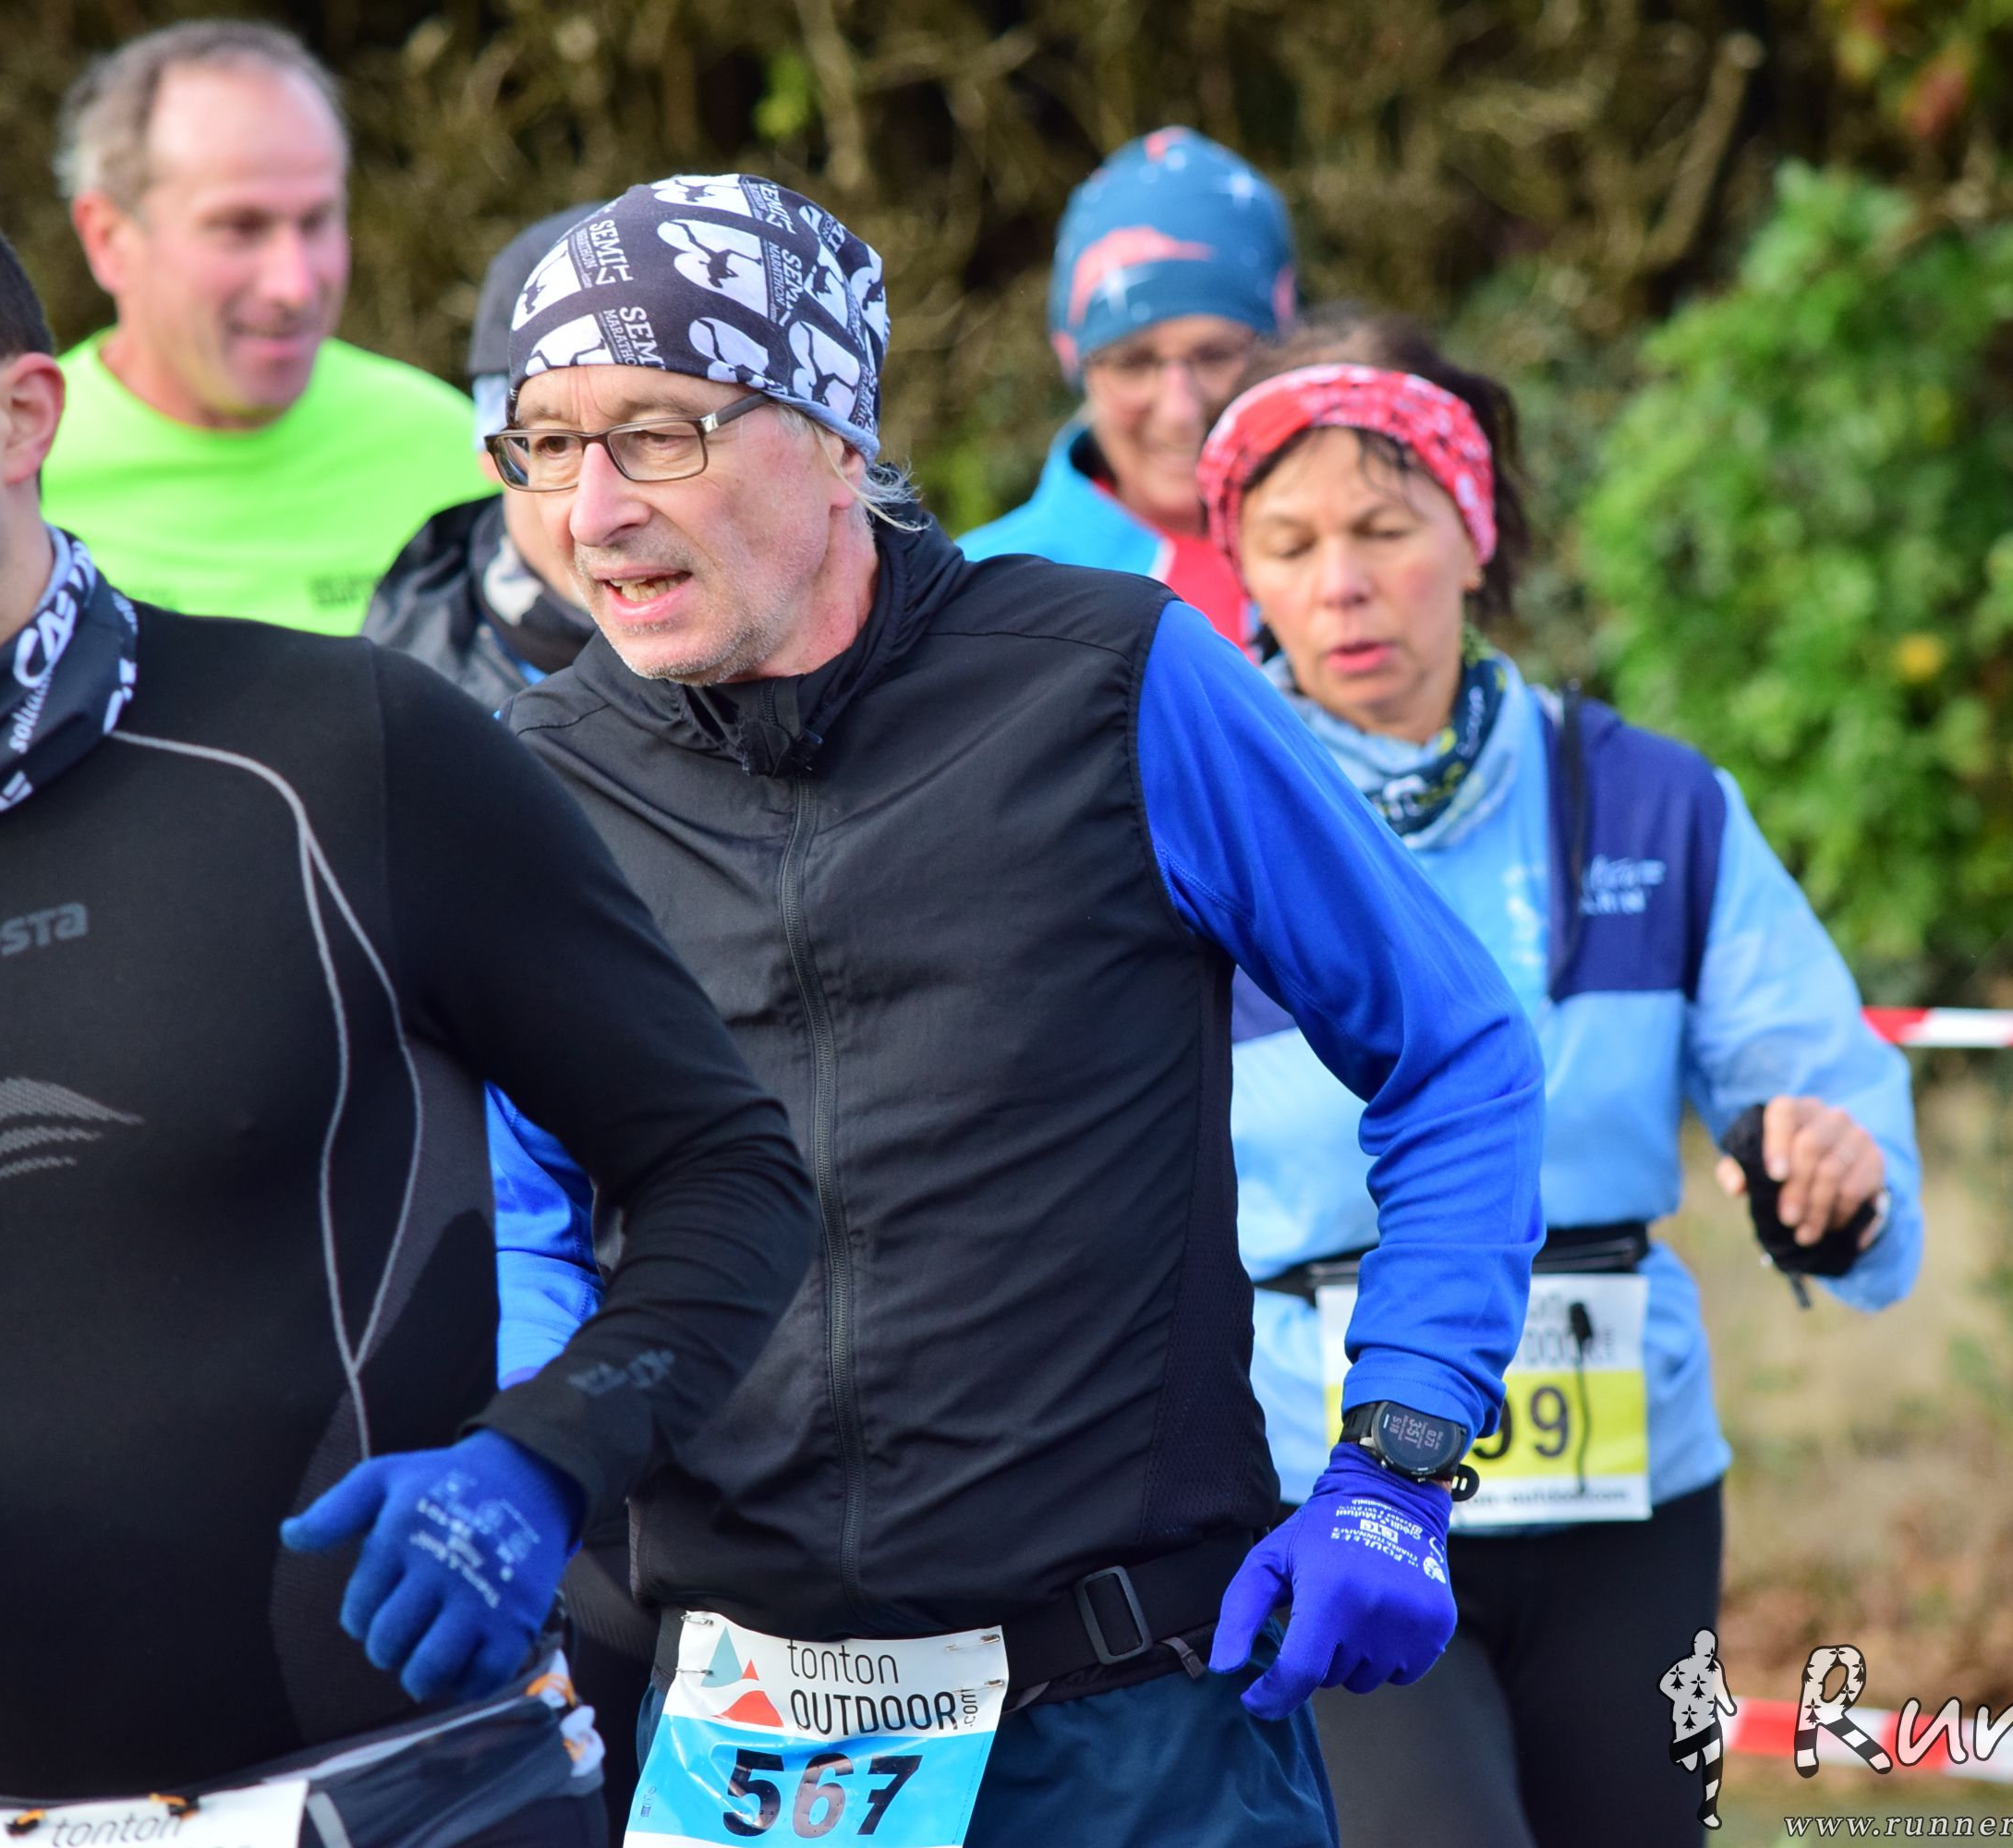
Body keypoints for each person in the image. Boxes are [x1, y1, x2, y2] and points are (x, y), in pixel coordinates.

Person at [0, 145, 819, 1848]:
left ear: (20, 418)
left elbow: (727, 1174)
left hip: (421, 1800)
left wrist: (540, 1460)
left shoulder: (351, 752)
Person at [493, 175, 1546, 1847]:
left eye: (658, 434)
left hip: (1128, 1720)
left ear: (833, 436)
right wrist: (521, 1463)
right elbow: (522, 1211)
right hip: (750, 1739)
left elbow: (1456, 1052)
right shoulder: (545, 775)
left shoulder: (1112, 679)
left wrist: (1398, 1461)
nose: (592, 510)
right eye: (546, 446)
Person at [1194, 309, 1924, 1848]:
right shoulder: (1200, 823)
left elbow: (1817, 1082)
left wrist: (1831, 1167)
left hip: (1630, 1496)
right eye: (1289, 543)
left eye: (1385, 529)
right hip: (1328, 1485)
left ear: (1474, 534)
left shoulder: (1655, 802)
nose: (1340, 582)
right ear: (1239, 568)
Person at [0, 19, 485, 772]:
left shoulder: (450, 449)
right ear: (108, 238)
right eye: (239, 228)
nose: (294, 283)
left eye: (317, 221)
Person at [956, 128, 1292, 645]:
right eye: (1133, 363)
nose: (1179, 411)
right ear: (1076, 361)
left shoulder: (1363, 560)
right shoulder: (984, 594)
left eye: (1216, 355)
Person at [365, 206, 602, 711]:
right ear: (491, 453)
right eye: (556, 443)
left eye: (659, 437)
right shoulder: (397, 693)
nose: (602, 510)